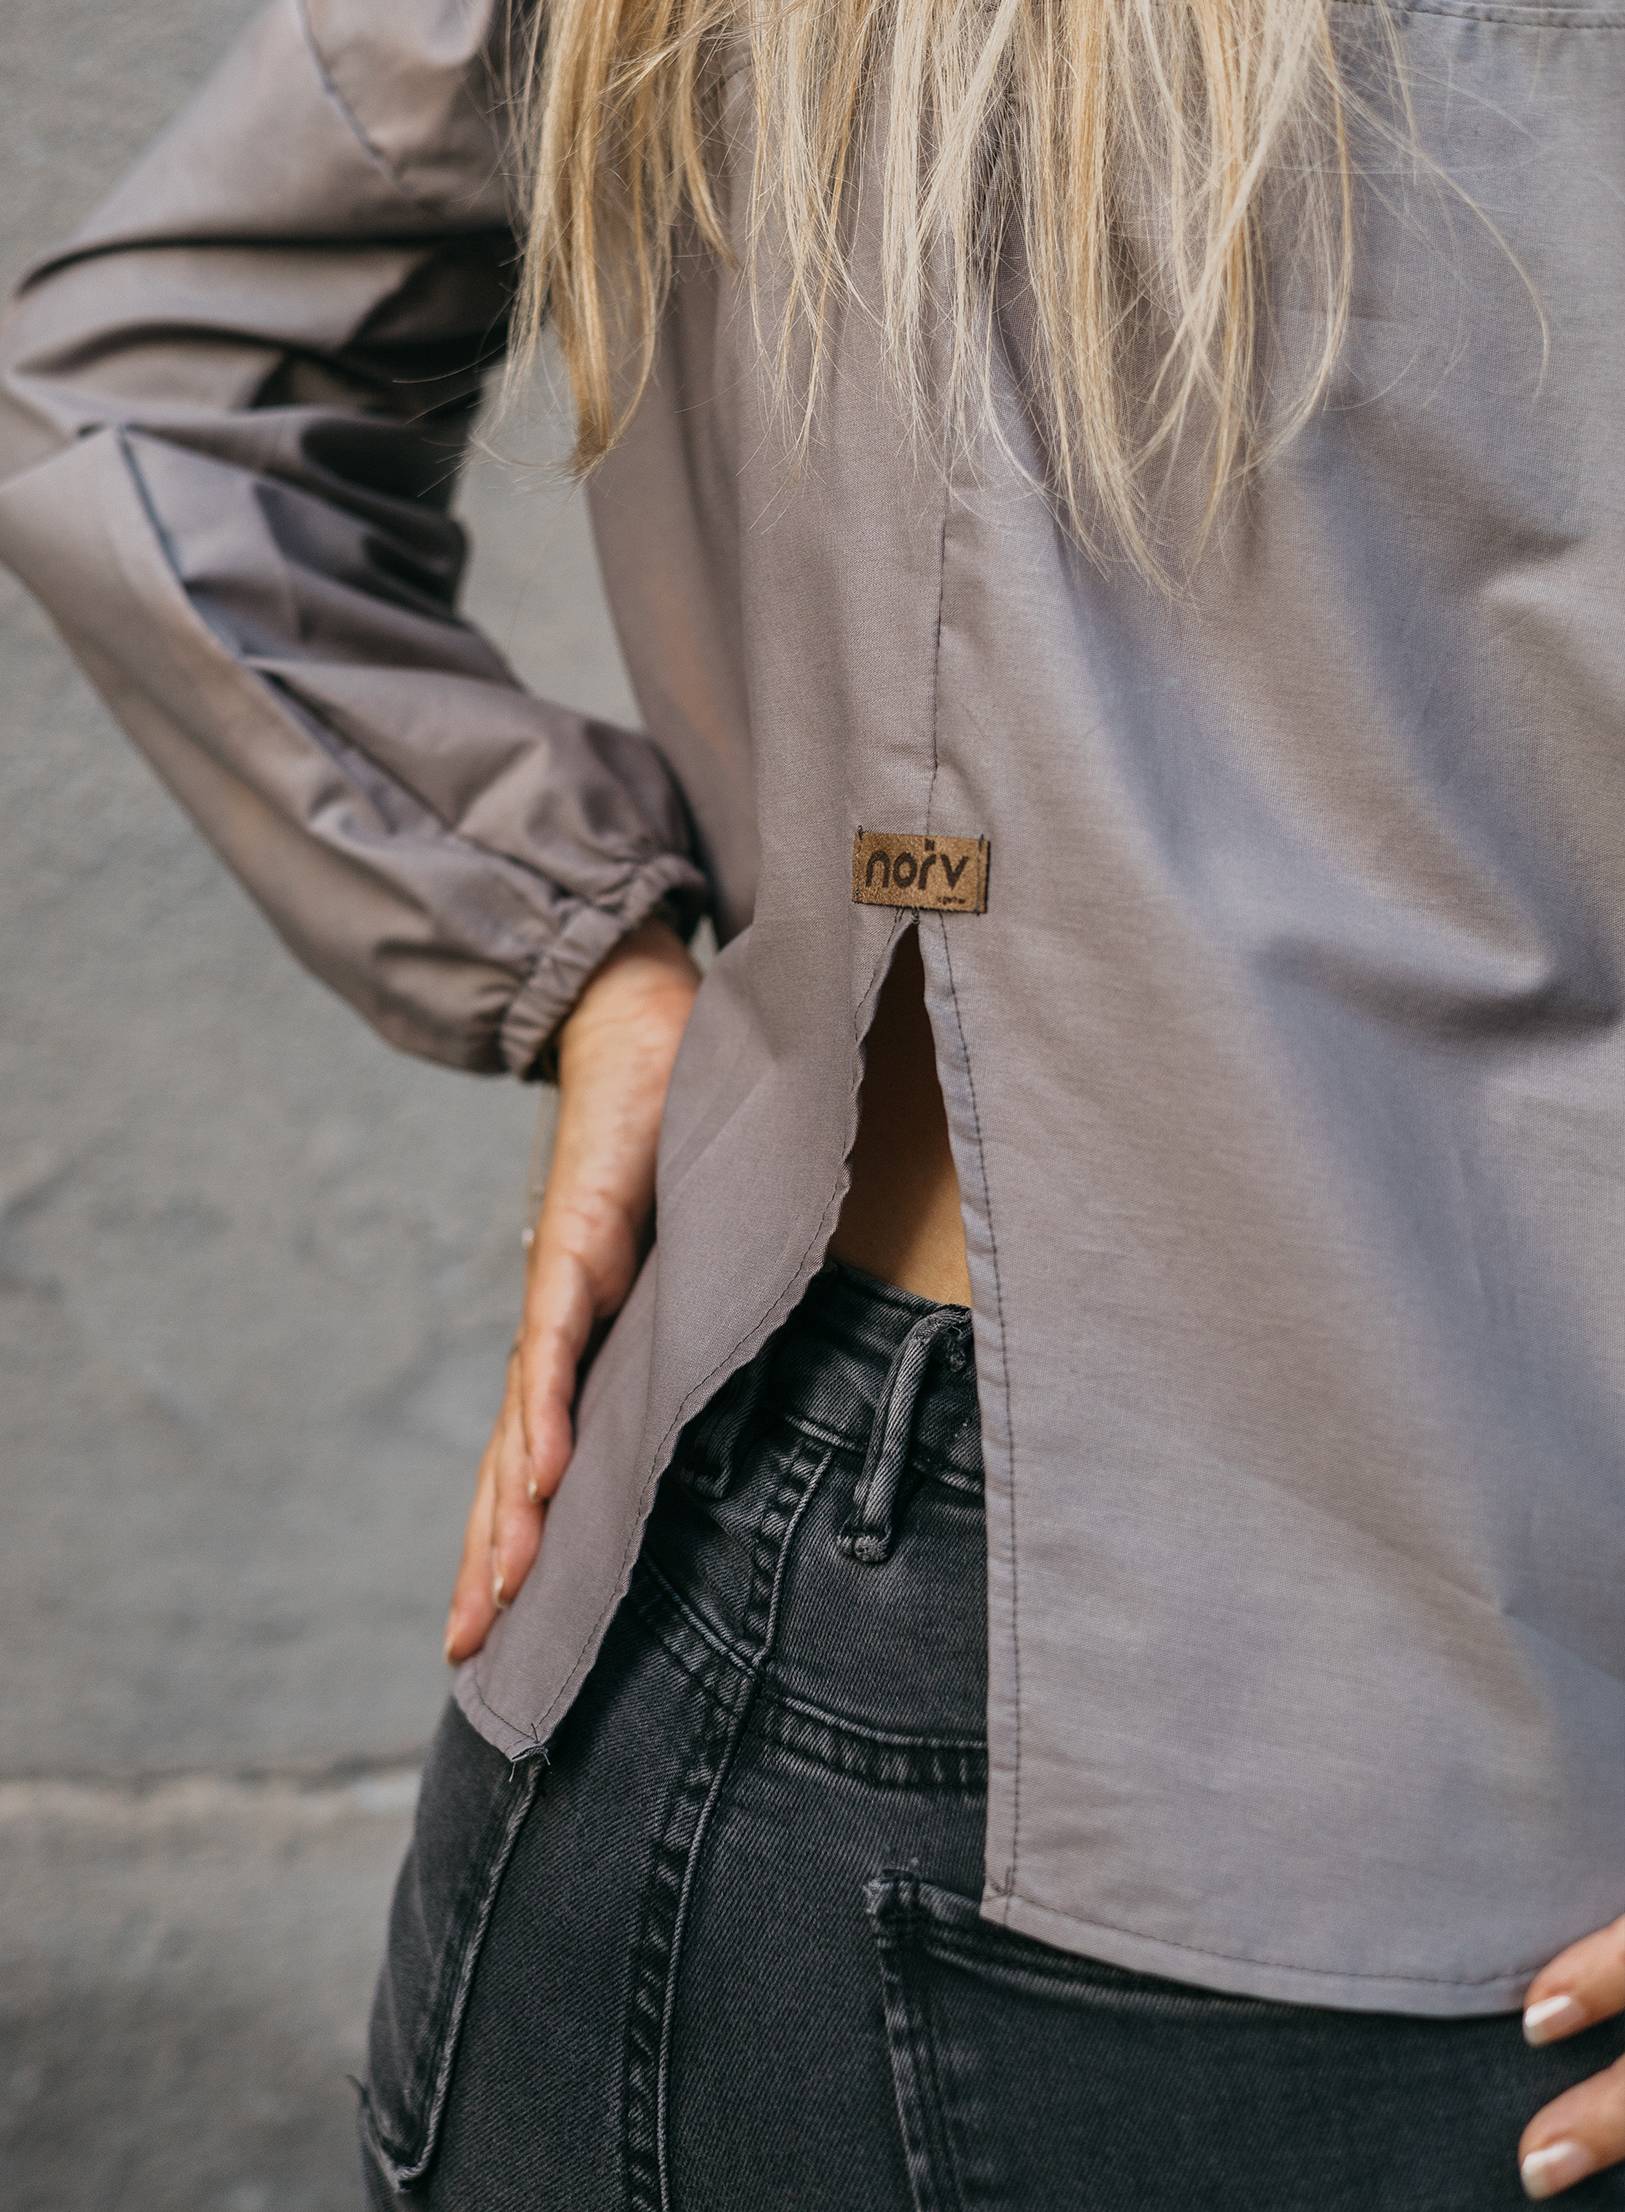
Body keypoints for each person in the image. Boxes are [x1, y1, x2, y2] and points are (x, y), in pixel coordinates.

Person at [4, 0, 1625, 2202]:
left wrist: (574, 952)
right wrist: (583, 964)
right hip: (1408, 1785)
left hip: (665, 1666)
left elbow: (134, 393)